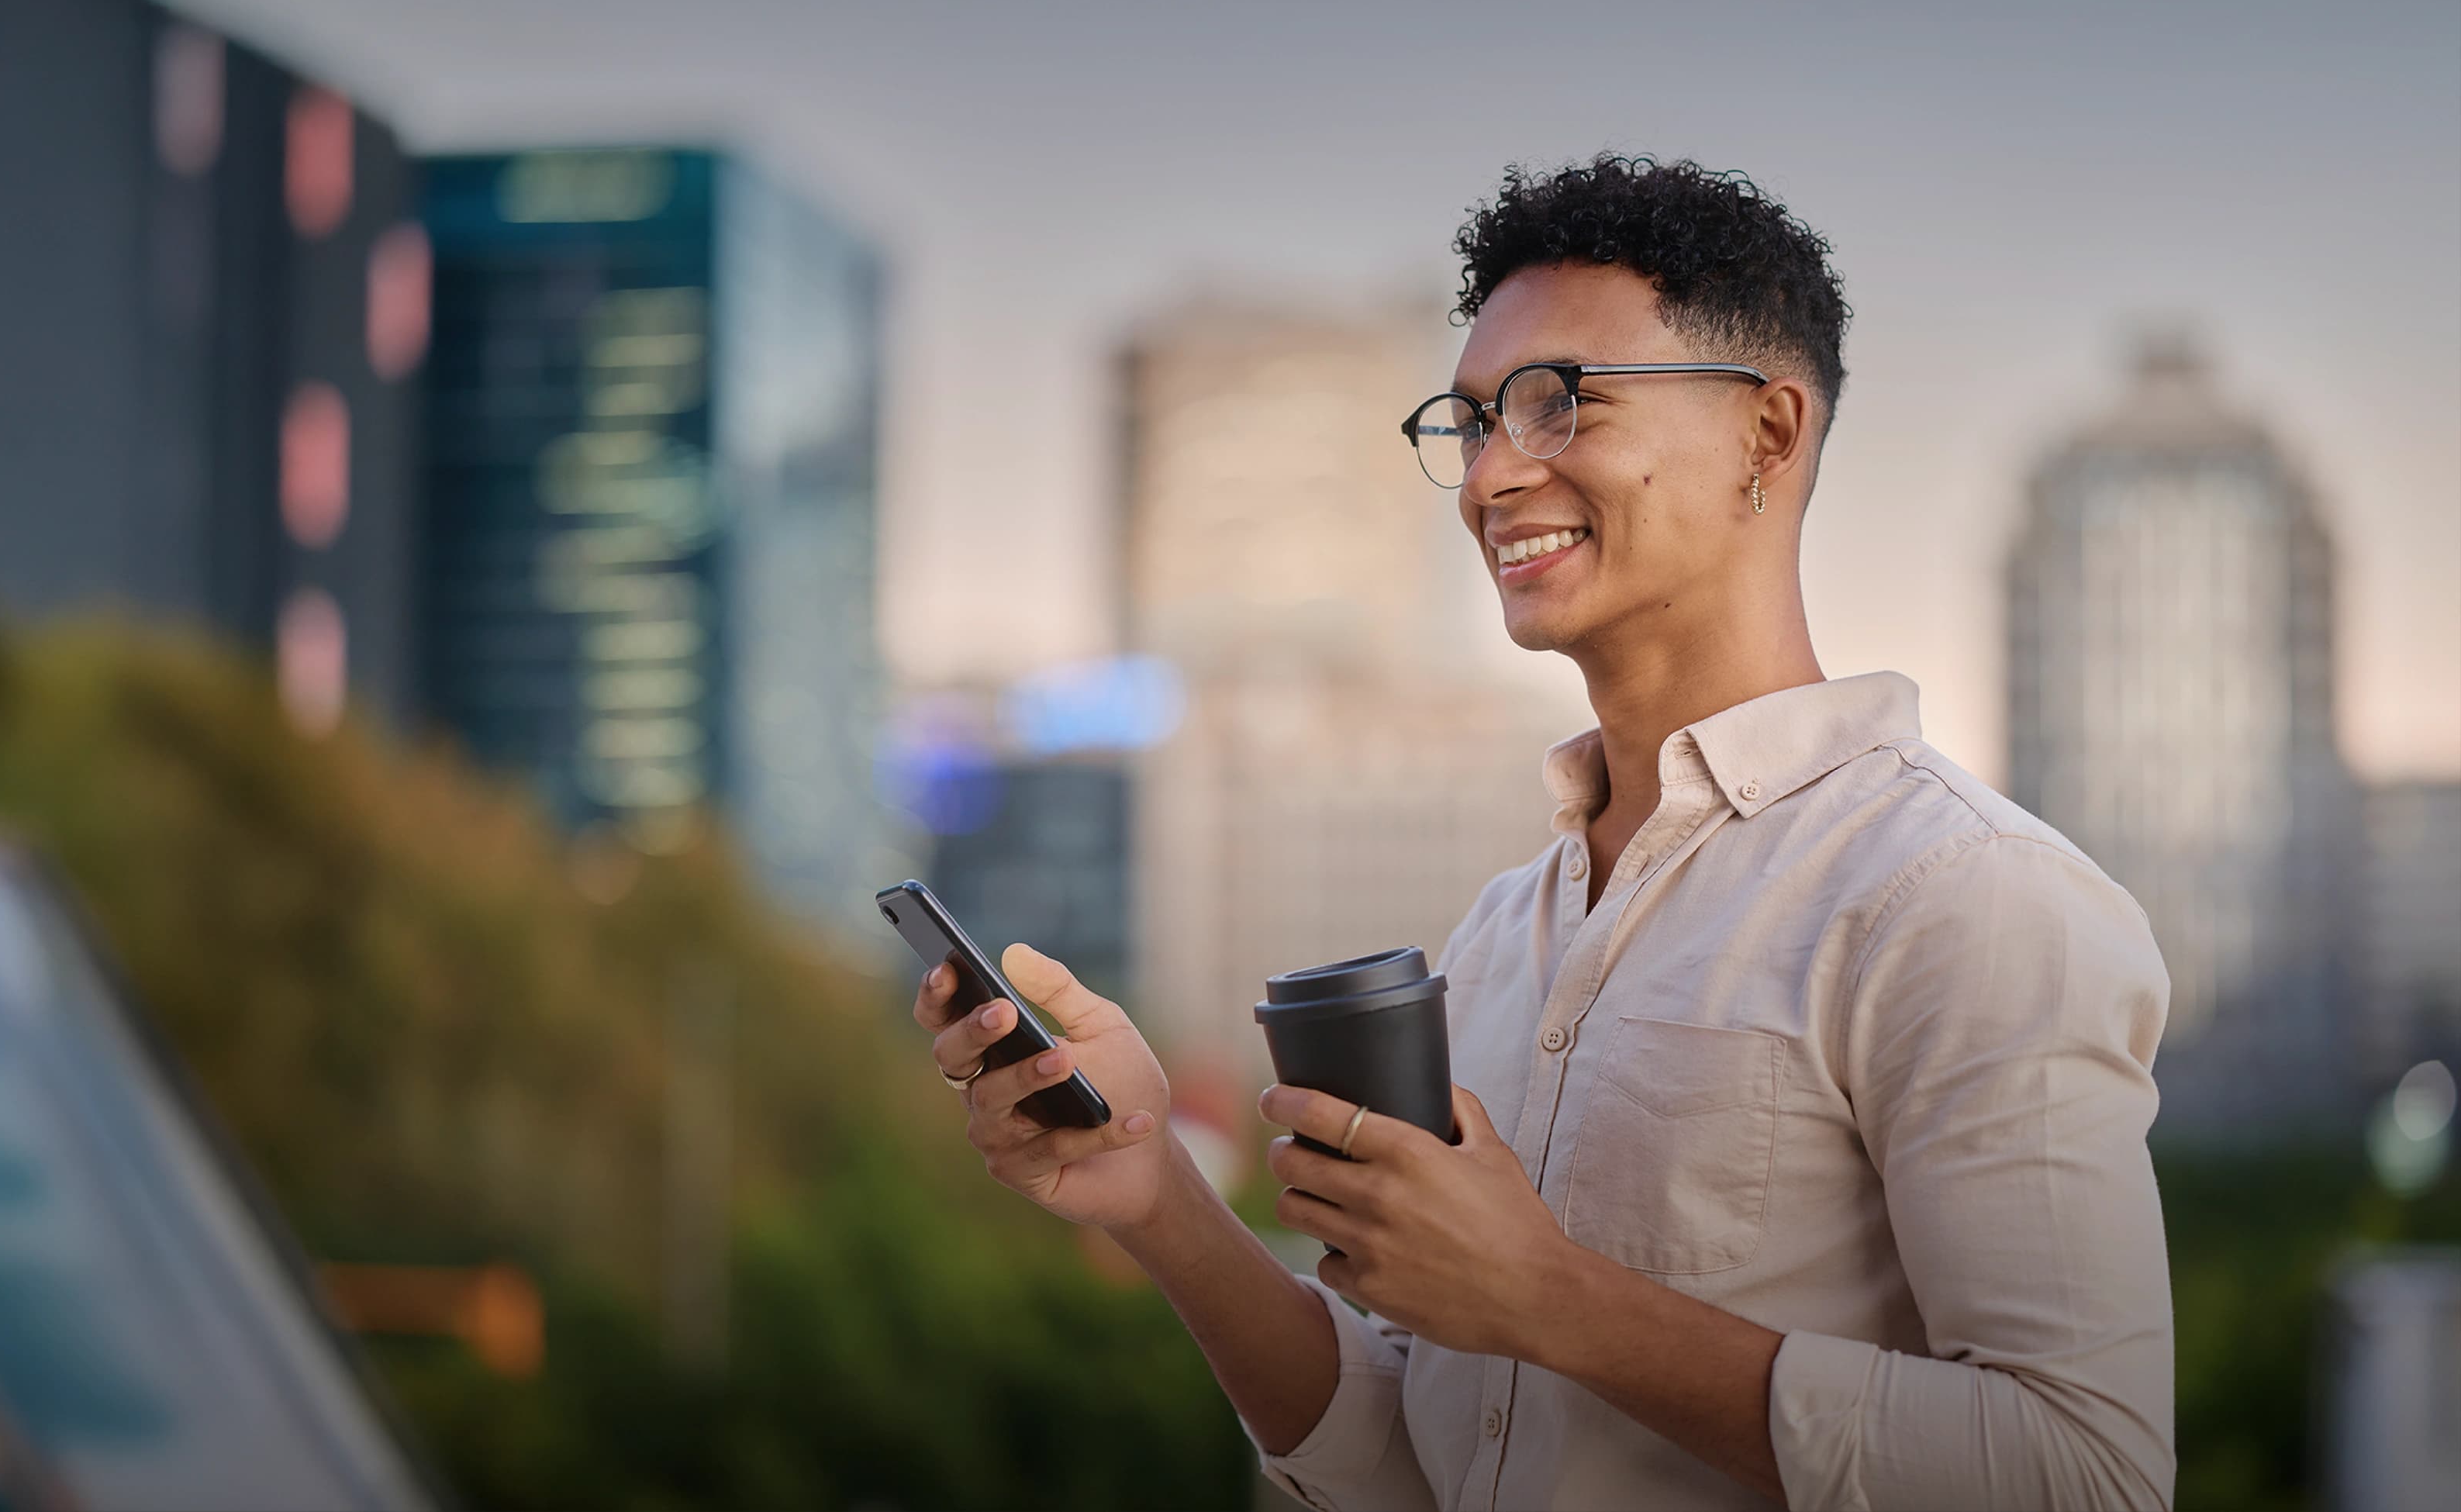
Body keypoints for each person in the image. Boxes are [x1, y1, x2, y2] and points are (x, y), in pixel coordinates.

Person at [914, 155, 2176, 1512]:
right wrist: (1154, 1186)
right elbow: (1420, 1460)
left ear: (1768, 433)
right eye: (1469, 423)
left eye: (1557, 402)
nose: (1493, 475)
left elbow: (2085, 1473)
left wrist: (1550, 1299)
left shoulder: (1966, 899)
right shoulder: (1510, 930)